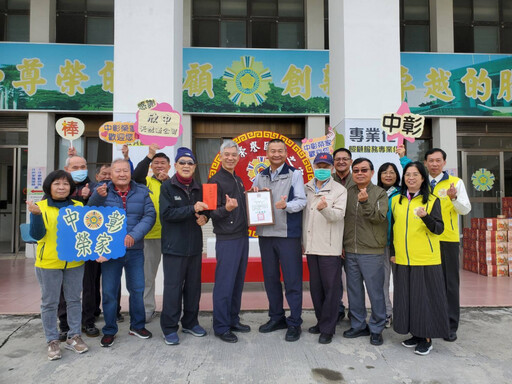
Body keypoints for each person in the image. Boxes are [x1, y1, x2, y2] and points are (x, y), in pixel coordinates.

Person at [397, 145, 471, 342]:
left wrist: (454, 197)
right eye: (431, 161)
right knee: (426, 288)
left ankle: (449, 325)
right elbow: (409, 174)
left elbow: (465, 210)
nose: (435, 164)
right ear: (426, 164)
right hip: (422, 242)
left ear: (444, 162)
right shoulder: (422, 184)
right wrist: (403, 157)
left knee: (449, 285)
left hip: (446, 240)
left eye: (438, 160)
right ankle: (424, 326)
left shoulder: (455, 183)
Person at [88, 159, 156, 347]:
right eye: (117, 171)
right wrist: (96, 197)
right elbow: (90, 215)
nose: (122, 174)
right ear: (111, 173)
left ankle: (137, 325)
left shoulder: (142, 191)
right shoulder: (102, 191)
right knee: (110, 291)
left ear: (130, 172)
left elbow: (150, 216)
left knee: (137, 289)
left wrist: (134, 235)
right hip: (110, 250)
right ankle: (109, 329)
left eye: (125, 170)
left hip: (134, 250)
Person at [28, 170, 89, 360]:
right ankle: (52, 340)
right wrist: (36, 215)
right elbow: (37, 235)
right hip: (48, 262)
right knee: (49, 302)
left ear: (71, 187)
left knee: (74, 300)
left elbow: (86, 232)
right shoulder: (40, 206)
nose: (62, 187)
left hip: (74, 262)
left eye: (65, 183)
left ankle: (74, 337)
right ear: (49, 186)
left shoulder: (79, 206)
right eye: (57, 183)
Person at [391, 161, 448, 355]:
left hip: (425, 259)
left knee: (424, 300)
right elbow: (393, 228)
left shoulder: (432, 200)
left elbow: (439, 229)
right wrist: (393, 252)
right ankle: (415, 333)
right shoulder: (396, 200)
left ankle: (427, 338)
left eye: (415, 174)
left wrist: (426, 217)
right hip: (403, 259)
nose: (411, 178)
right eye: (407, 174)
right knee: (408, 299)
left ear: (423, 178)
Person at [252, 139, 307, 342]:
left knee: (292, 280)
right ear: (267, 154)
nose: (276, 154)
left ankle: (294, 322)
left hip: (287, 235)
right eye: (272, 151)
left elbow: (301, 201)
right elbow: (252, 197)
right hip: (266, 235)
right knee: (271, 279)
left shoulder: (295, 174)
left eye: (280, 151)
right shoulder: (260, 175)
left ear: (286, 153)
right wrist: (254, 195)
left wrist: (286, 206)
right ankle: (276, 317)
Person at [159, 147, 209, 346]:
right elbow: (167, 214)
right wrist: (192, 209)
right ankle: (169, 328)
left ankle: (190, 322)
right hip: (174, 247)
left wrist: (205, 217)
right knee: (172, 289)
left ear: (195, 167)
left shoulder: (200, 188)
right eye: (183, 163)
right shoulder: (167, 187)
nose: (186, 166)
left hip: (195, 247)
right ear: (176, 166)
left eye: (190, 163)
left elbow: (207, 211)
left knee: (193, 288)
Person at [342, 158, 388, 346]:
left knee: (375, 292)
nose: (360, 173)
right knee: (354, 291)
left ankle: (377, 328)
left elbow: (379, 218)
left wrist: (366, 202)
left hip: (372, 251)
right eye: (356, 170)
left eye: (364, 170)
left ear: (371, 172)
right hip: (350, 250)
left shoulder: (379, 193)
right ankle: (358, 325)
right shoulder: (346, 192)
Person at [209, 141, 250, 343]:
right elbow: (210, 213)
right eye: (227, 154)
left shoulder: (238, 179)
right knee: (225, 284)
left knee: (237, 283)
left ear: (238, 157)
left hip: (242, 236)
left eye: (234, 154)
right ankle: (221, 326)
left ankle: (233, 319)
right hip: (227, 238)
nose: (231, 158)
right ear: (220, 155)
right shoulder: (213, 181)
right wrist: (227, 209)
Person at [303, 153, 347, 344]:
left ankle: (328, 328)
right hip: (311, 246)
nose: (322, 168)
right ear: (314, 166)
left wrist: (324, 209)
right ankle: (321, 322)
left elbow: (338, 215)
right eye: (319, 165)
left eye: (326, 165)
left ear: (331, 168)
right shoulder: (307, 187)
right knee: (316, 288)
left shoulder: (338, 190)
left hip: (330, 247)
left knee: (332, 290)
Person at [132, 143, 171, 323]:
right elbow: (136, 175)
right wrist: (149, 155)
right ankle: (148, 309)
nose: (159, 166)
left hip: (171, 236)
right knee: (148, 276)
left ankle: (173, 309)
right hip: (149, 237)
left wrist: (168, 182)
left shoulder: (173, 182)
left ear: (169, 166)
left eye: (163, 163)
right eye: (155, 163)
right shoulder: (145, 181)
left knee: (174, 277)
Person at [376, 162, 401, 328]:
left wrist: (403, 158)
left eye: (392, 172)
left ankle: (402, 314)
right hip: (382, 244)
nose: (388, 175)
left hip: (399, 244)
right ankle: (387, 313)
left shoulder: (403, 193)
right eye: (384, 172)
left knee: (401, 281)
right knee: (383, 281)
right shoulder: (376, 193)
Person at [332, 147, 354, 321]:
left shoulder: (359, 179)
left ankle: (355, 312)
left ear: (350, 161)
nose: (341, 161)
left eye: (345, 159)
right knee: (333, 279)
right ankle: (337, 309)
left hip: (353, 237)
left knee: (353, 280)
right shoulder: (326, 180)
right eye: (338, 159)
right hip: (331, 238)